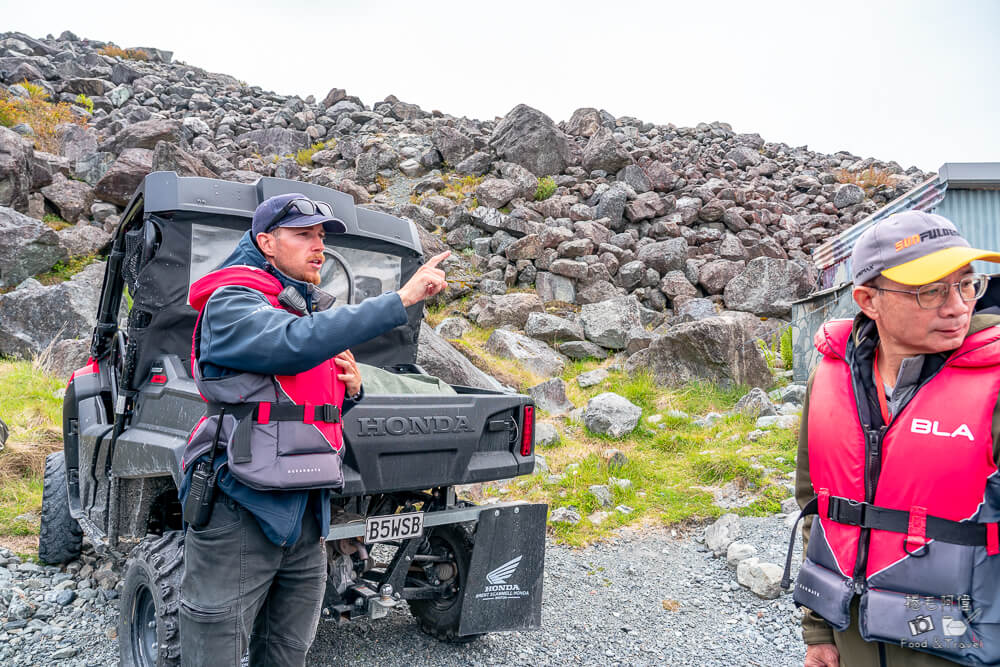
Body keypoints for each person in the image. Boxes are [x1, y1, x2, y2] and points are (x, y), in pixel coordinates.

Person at [177, 193, 450, 666]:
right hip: (241, 504)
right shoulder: (231, 303)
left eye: (321, 236)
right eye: (303, 235)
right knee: (214, 649)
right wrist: (400, 299)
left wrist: (352, 388)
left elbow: (301, 402)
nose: (318, 246)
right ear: (266, 242)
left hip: (308, 514)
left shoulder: (303, 310)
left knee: (287, 652)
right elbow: (291, 345)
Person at [788, 210, 1000, 667]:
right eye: (931, 291)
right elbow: (818, 509)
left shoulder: (996, 385)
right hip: (853, 643)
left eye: (967, 284)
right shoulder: (829, 375)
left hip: (964, 649)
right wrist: (819, 631)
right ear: (868, 299)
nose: (958, 306)